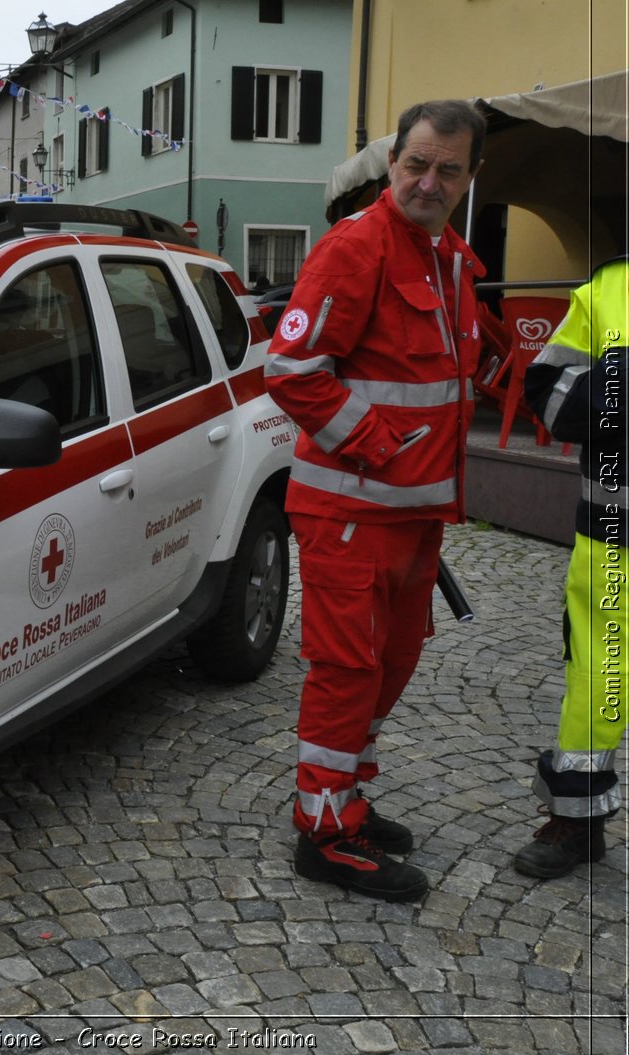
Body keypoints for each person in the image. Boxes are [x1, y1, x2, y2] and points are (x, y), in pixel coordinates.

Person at [264, 100, 487, 902]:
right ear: (392, 163)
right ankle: (325, 834)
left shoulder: (450, 258)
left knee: (390, 666)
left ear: (468, 177)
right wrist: (386, 447)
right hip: (349, 512)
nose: (429, 181)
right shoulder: (356, 247)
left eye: (447, 170)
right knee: (347, 671)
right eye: (416, 164)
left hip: (411, 516)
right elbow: (290, 372)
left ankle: (348, 798)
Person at [515, 255, 628, 877]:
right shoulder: (609, 290)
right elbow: (548, 396)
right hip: (613, 540)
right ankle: (578, 823)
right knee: (595, 687)